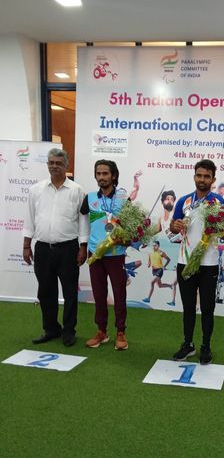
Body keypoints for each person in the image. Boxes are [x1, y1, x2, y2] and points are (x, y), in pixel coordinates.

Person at [23, 148, 89, 347]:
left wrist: (83, 247)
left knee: (70, 293)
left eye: (59, 163)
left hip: (68, 249)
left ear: (66, 165)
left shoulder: (77, 190)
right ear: (47, 164)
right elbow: (30, 219)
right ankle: (51, 329)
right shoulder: (36, 190)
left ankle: (69, 331)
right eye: (51, 163)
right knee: (45, 292)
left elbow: (83, 221)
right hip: (43, 249)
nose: (54, 166)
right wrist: (26, 245)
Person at [81, 160, 141, 351]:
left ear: (113, 176)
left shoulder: (123, 198)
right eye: (98, 173)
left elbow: (132, 225)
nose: (101, 177)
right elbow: (82, 221)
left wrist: (128, 239)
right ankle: (101, 331)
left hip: (116, 253)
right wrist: (83, 246)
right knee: (99, 294)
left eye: (105, 173)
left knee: (119, 293)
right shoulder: (90, 198)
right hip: (95, 253)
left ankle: (120, 332)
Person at [170, 160, 224, 364]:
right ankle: (188, 344)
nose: (202, 179)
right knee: (188, 307)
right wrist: (175, 226)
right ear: (194, 177)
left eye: (207, 176)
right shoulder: (183, 201)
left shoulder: (218, 201)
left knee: (208, 308)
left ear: (213, 179)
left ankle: (206, 346)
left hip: (209, 263)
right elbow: (172, 228)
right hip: (185, 260)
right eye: (199, 175)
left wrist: (221, 228)